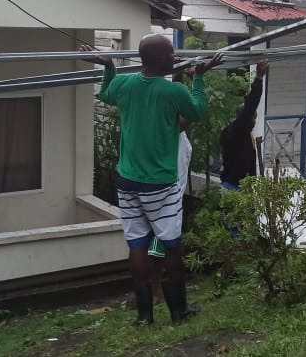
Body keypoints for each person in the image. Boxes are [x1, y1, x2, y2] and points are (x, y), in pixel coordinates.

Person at [83, 37, 224, 324]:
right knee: (171, 245)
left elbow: (106, 94)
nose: (174, 56)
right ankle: (178, 311)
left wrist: (108, 66)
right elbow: (197, 110)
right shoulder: (172, 91)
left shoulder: (125, 84)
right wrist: (198, 78)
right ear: (158, 59)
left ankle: (145, 315)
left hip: (127, 180)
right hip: (160, 183)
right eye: (170, 53)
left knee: (137, 243)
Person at [145, 113, 192, 304]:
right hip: (165, 195)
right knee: (161, 247)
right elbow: (187, 115)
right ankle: (157, 292)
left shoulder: (178, 135)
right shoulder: (169, 130)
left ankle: (157, 291)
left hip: (172, 194)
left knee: (160, 246)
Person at [219, 59, 269, 190]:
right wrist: (259, 78)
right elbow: (250, 107)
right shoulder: (238, 131)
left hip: (234, 184)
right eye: (253, 119)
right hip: (234, 186)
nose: (255, 122)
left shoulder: (232, 131)